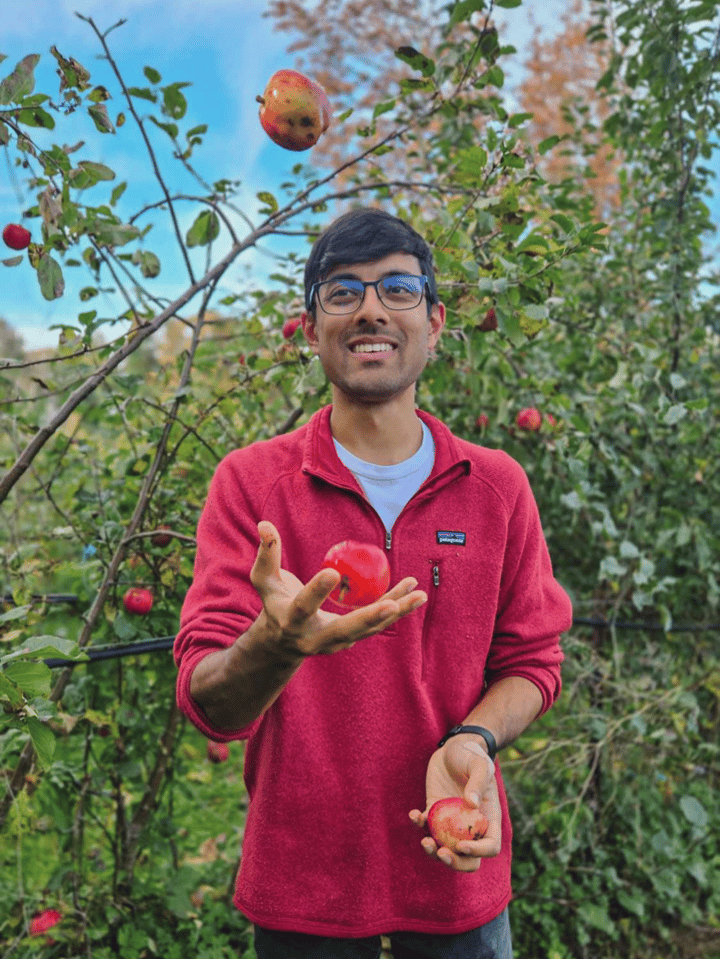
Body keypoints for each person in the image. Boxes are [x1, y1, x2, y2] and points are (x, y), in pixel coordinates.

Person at [174, 207, 573, 959]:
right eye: (341, 291)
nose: (369, 309)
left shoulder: (496, 486)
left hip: (457, 887)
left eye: (397, 287)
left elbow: (533, 663)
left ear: (434, 318)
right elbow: (210, 703)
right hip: (304, 894)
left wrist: (473, 737)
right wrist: (276, 642)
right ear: (312, 324)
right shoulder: (252, 484)